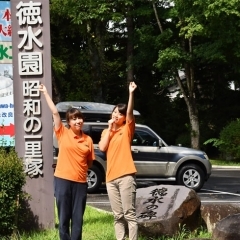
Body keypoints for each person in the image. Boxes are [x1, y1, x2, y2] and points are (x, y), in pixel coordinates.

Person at [39, 84, 95, 240]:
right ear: (69, 122)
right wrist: (45, 93)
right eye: (74, 118)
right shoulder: (62, 133)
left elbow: (89, 162)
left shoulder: (88, 139)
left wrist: (80, 169)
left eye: (79, 118)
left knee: (77, 219)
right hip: (62, 180)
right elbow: (55, 113)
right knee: (64, 218)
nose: (78, 121)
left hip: (80, 183)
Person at [99, 82, 138, 240]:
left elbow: (129, 113)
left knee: (129, 214)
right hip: (110, 178)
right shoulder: (105, 131)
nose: (116, 115)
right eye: (115, 112)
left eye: (119, 114)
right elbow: (102, 148)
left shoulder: (127, 129)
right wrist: (109, 129)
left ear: (123, 119)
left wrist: (131, 93)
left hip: (126, 176)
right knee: (117, 215)